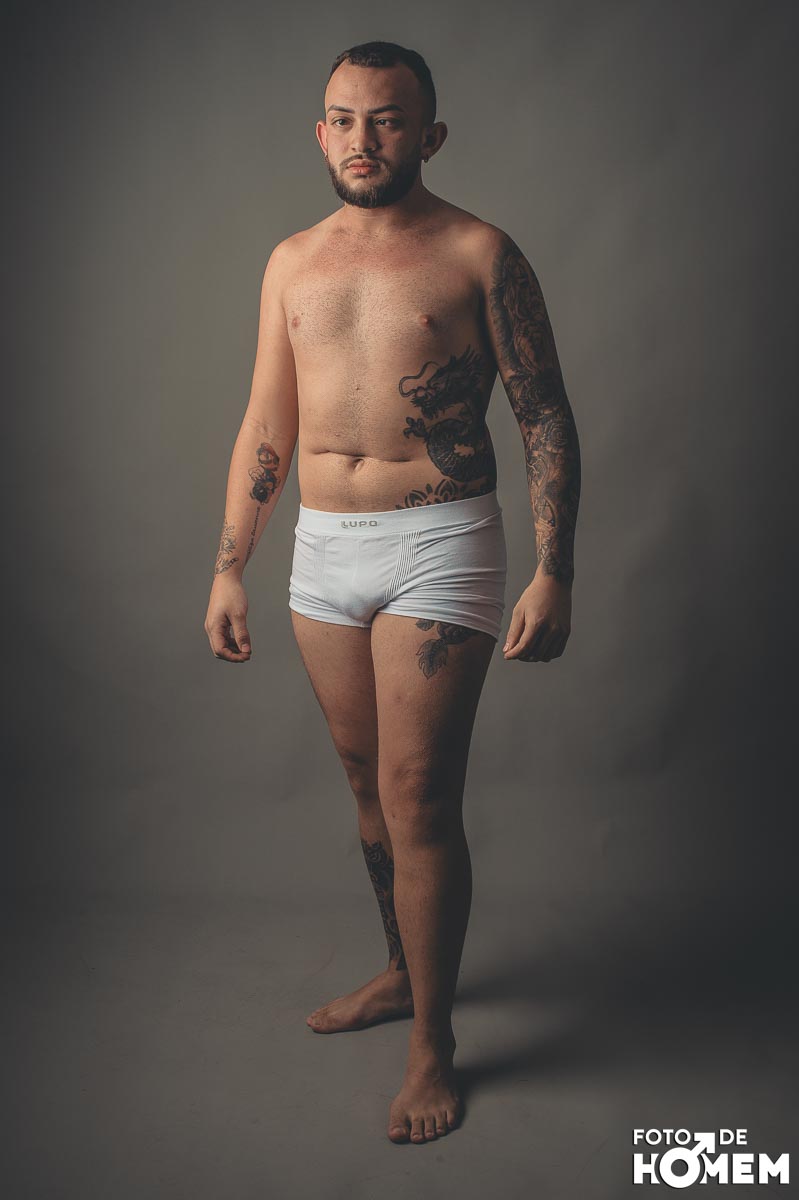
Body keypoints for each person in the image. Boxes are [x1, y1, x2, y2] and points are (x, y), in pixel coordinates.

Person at [203, 40, 581, 1145]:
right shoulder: (290, 262)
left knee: (418, 795)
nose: (361, 139)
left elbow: (543, 414)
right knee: (367, 789)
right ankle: (400, 969)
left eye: (386, 119)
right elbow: (266, 419)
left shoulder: (478, 252)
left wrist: (555, 566)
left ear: (429, 134)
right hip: (322, 547)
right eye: (343, 118)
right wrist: (229, 563)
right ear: (320, 132)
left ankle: (432, 1045)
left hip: (439, 541)